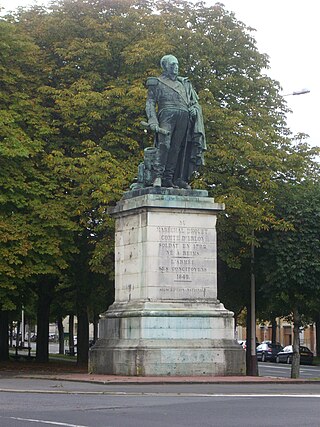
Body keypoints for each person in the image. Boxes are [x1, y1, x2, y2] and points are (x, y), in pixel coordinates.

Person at [145, 54, 206, 189]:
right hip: (166, 115)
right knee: (164, 145)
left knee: (177, 149)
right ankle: (158, 176)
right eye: (173, 65)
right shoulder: (157, 82)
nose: (176, 68)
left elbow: (192, 102)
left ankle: (169, 178)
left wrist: (194, 110)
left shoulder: (183, 84)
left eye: (177, 65)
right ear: (165, 66)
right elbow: (150, 103)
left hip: (184, 117)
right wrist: (153, 121)